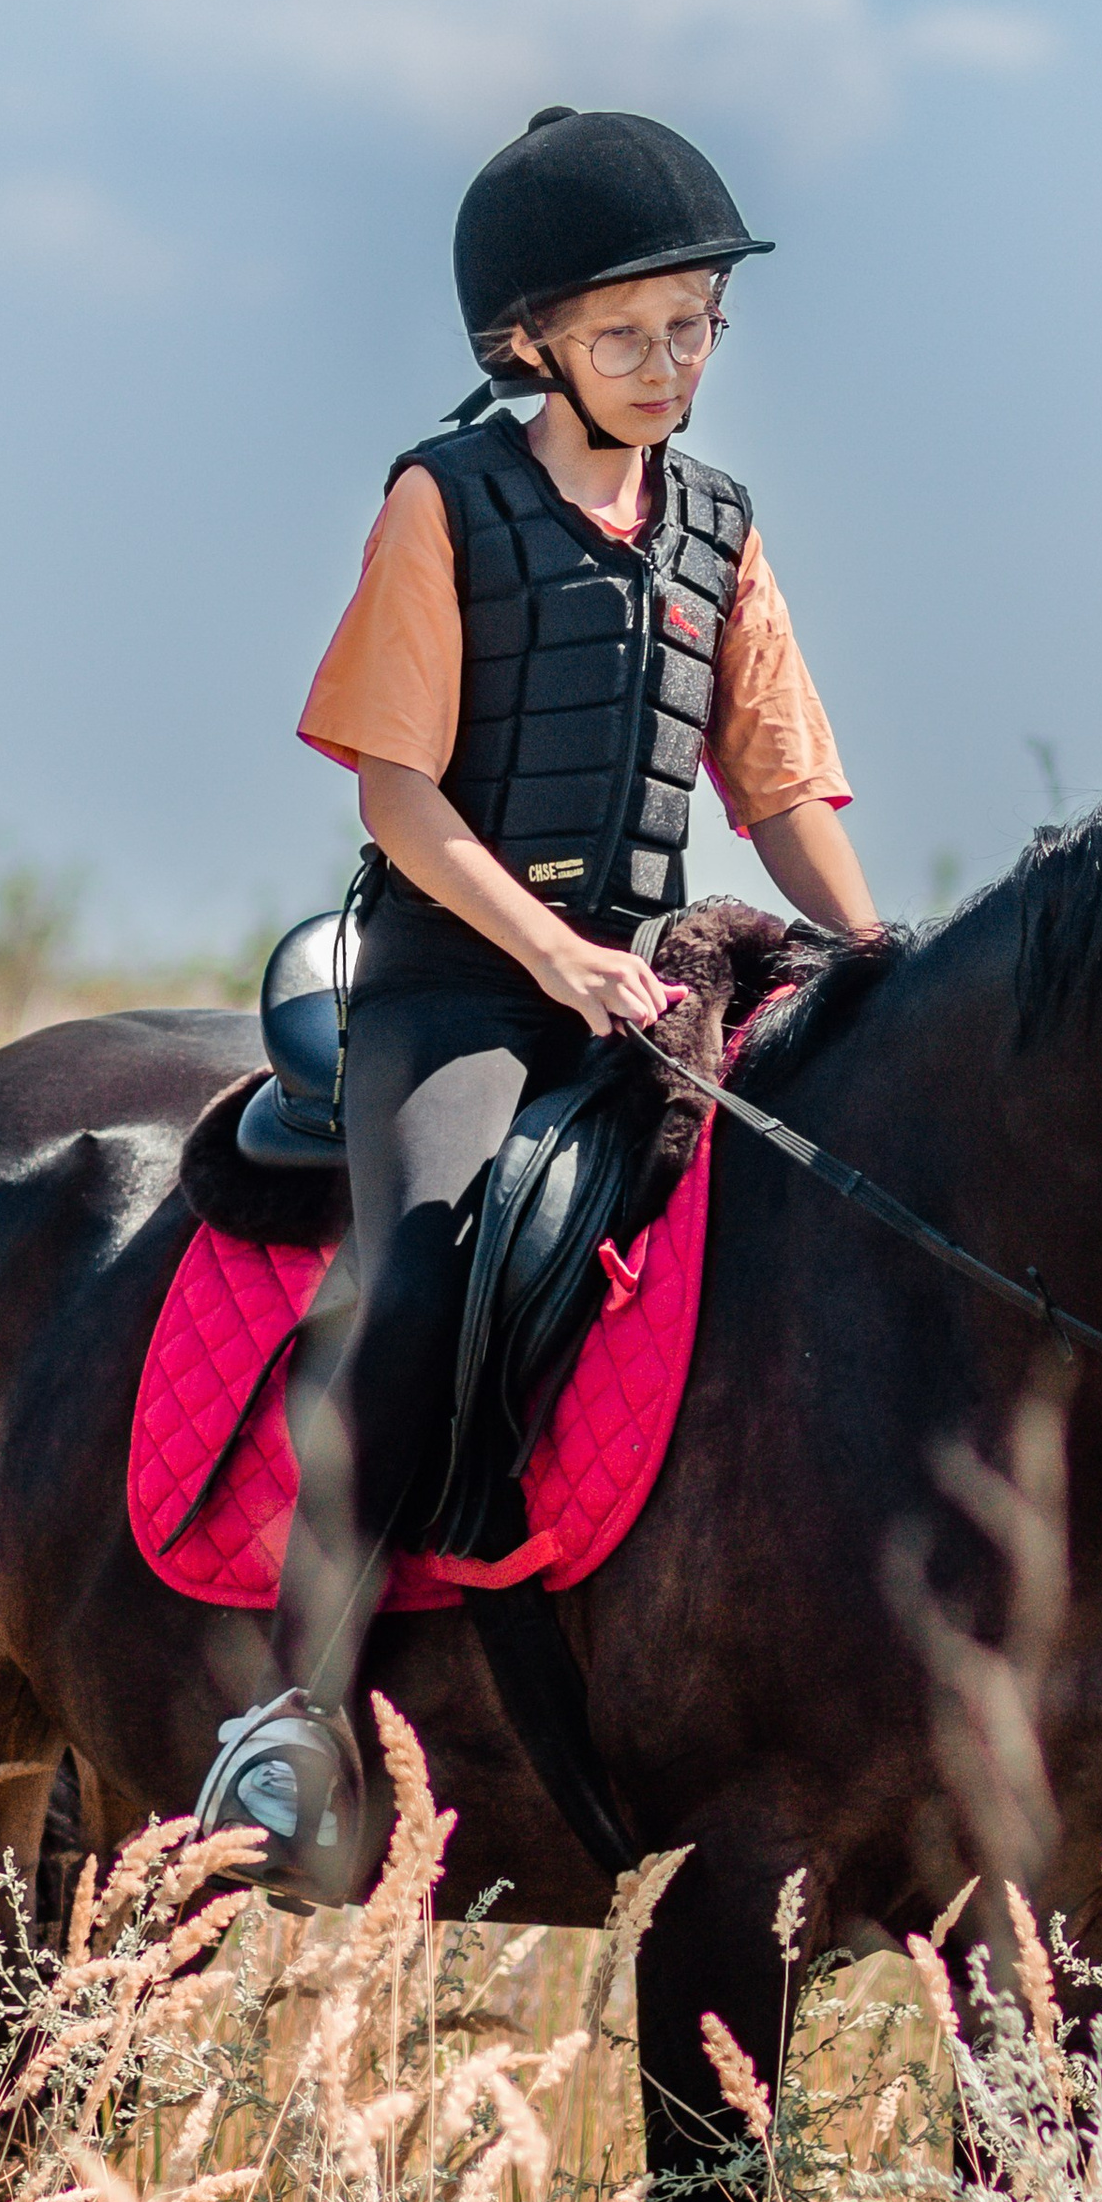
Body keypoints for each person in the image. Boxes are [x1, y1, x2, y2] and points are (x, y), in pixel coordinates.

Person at [196, 106, 879, 1895]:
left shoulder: (721, 527)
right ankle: (294, 1714)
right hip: (457, 989)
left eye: (696, 329)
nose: (673, 367)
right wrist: (559, 956)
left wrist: (873, 965)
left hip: (643, 985)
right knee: (421, 1261)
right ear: (529, 343)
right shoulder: (448, 501)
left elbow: (782, 791)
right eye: (631, 333)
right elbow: (397, 799)